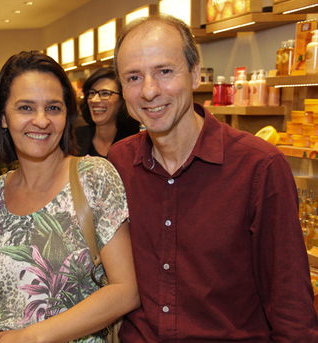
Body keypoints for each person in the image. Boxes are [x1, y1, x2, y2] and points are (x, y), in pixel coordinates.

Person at [107, 14, 318, 342]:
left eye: (164, 71)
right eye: (133, 77)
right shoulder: (118, 163)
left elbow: (291, 306)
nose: (149, 91)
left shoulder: (258, 167)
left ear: (193, 74)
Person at [0, 51, 139, 343]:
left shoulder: (93, 176)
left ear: (67, 115)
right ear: (3, 118)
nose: (41, 121)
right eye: (25, 107)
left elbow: (125, 290)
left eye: (53, 108)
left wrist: (33, 336)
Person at [75, 67, 139, 157]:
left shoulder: (135, 143)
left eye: (105, 93)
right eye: (92, 93)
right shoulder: (76, 137)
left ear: (122, 100)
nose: (94, 99)